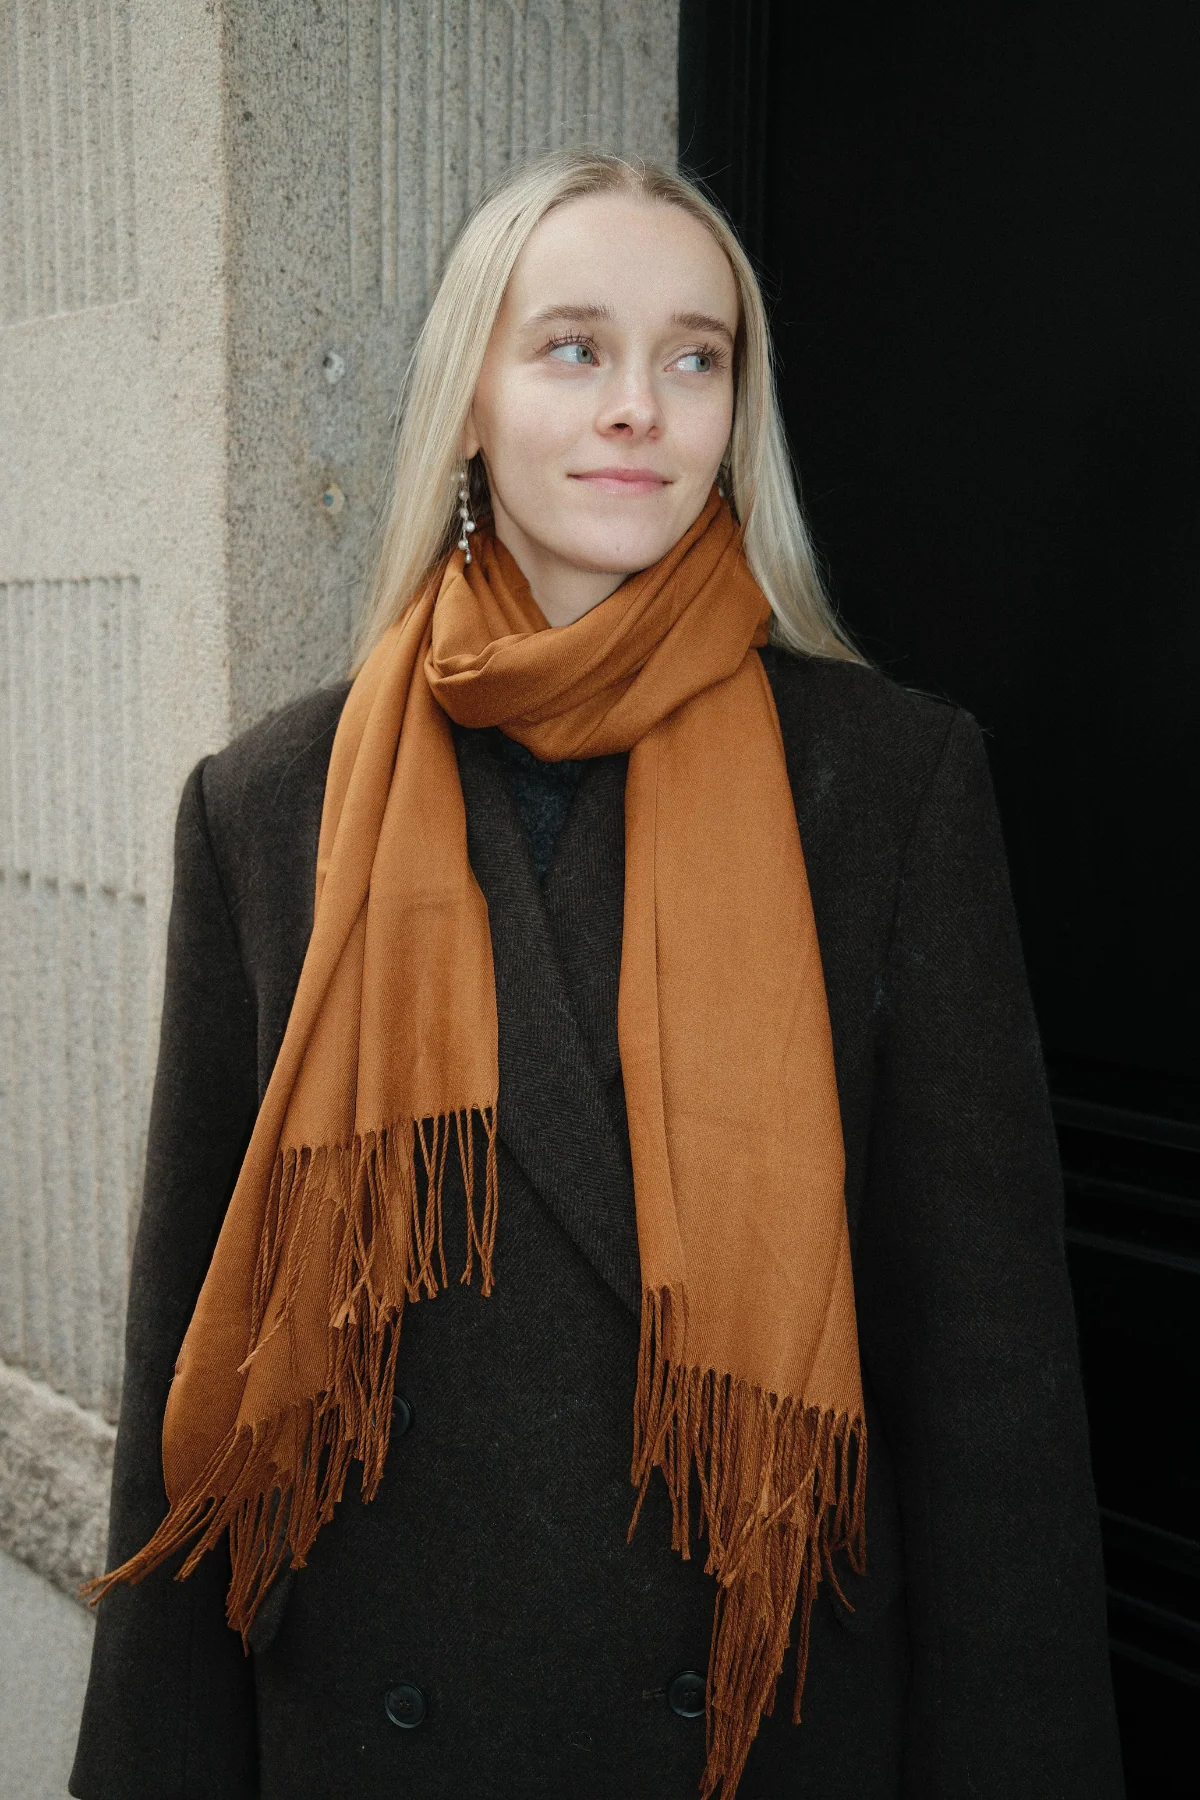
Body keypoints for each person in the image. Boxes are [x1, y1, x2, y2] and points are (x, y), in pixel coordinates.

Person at [70, 150, 1124, 1800]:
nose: (640, 404)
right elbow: (193, 1347)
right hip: (367, 1723)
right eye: (574, 347)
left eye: (695, 357)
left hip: (755, 1715)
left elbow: (988, 1373)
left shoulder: (888, 787)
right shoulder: (270, 804)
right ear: (469, 403)